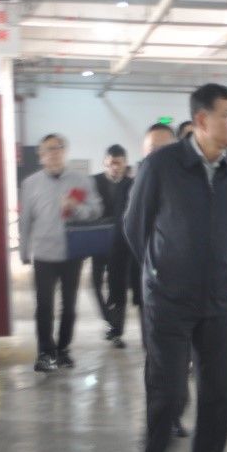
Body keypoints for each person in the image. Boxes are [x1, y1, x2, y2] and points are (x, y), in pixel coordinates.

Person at [123, 83, 227, 452]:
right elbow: (135, 226)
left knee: (218, 396)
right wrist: (160, 273)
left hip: (220, 300)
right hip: (169, 300)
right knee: (169, 395)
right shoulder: (161, 166)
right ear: (202, 120)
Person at [19, 133, 103, 373]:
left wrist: (77, 208)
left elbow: (96, 210)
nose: (54, 153)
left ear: (64, 151)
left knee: (69, 305)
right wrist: (24, 251)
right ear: (41, 155)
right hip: (43, 254)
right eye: (48, 149)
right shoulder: (31, 184)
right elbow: (25, 220)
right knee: (44, 305)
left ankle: (63, 350)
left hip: (72, 253)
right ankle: (45, 353)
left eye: (58, 148)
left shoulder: (81, 180)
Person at [136, 122, 189, 439]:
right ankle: (158, 418)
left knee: (182, 358)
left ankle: (175, 414)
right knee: (157, 359)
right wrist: (153, 271)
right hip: (154, 286)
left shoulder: (189, 183)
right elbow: (135, 233)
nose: (158, 155)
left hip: (190, 289)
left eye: (164, 149)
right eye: (152, 150)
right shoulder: (142, 183)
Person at [91, 144, 133, 348]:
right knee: (95, 283)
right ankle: (109, 317)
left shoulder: (132, 184)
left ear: (125, 164)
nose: (114, 168)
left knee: (118, 288)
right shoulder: (94, 182)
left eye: (118, 163)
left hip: (122, 244)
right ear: (104, 163)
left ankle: (117, 331)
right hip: (98, 242)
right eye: (111, 164)